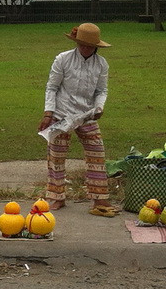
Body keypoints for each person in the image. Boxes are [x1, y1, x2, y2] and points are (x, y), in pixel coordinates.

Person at [38, 23, 116, 217]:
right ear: (76, 43)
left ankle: (99, 197)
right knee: (56, 155)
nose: (85, 49)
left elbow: (101, 90)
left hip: (87, 115)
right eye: (82, 45)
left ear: (96, 47)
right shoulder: (62, 59)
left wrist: (99, 107)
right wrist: (48, 113)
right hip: (62, 113)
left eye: (89, 46)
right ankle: (56, 196)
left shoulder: (101, 64)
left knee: (97, 152)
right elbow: (52, 87)